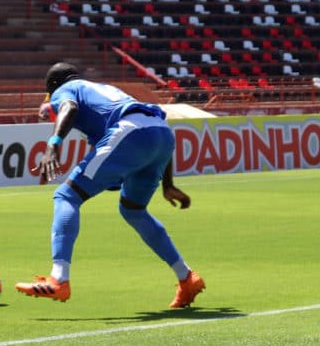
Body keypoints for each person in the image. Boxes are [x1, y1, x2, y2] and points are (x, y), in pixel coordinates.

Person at [15, 62, 205, 308]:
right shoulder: (100, 90)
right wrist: (167, 184)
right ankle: (186, 277)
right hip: (161, 135)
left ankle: (59, 279)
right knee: (133, 210)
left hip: (129, 131)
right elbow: (148, 127)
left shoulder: (67, 89)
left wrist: (53, 145)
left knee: (67, 196)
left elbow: (68, 107)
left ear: (53, 85)